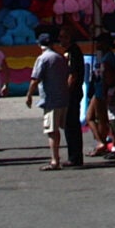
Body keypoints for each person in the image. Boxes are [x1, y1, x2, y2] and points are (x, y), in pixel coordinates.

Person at [28, 34, 76, 169]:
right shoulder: (60, 57)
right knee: (60, 128)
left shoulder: (43, 59)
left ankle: (55, 160)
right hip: (63, 97)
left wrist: (29, 95)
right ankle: (61, 157)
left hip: (51, 99)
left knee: (51, 130)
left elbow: (35, 79)